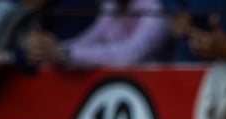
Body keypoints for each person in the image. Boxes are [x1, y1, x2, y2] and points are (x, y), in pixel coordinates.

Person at [20, 0, 168, 68]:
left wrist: (62, 54)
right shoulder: (112, 7)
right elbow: (86, 42)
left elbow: (128, 55)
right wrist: (46, 50)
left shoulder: (155, 11)